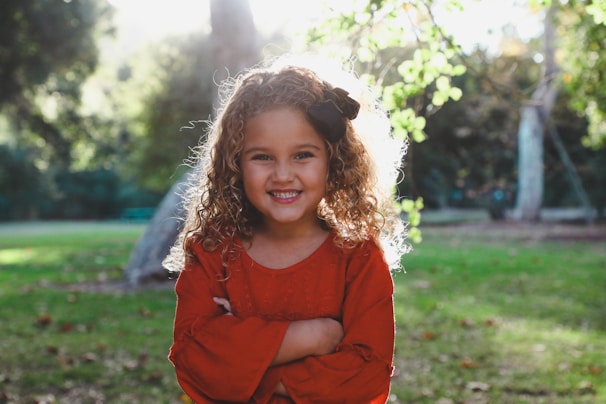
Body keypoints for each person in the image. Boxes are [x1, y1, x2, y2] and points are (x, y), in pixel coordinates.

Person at [163, 54, 409, 403]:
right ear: (235, 163)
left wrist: (247, 361)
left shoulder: (359, 257)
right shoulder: (212, 250)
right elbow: (192, 358)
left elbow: (367, 375)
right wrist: (312, 337)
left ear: (333, 161)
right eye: (262, 157)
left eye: (302, 155)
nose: (282, 175)